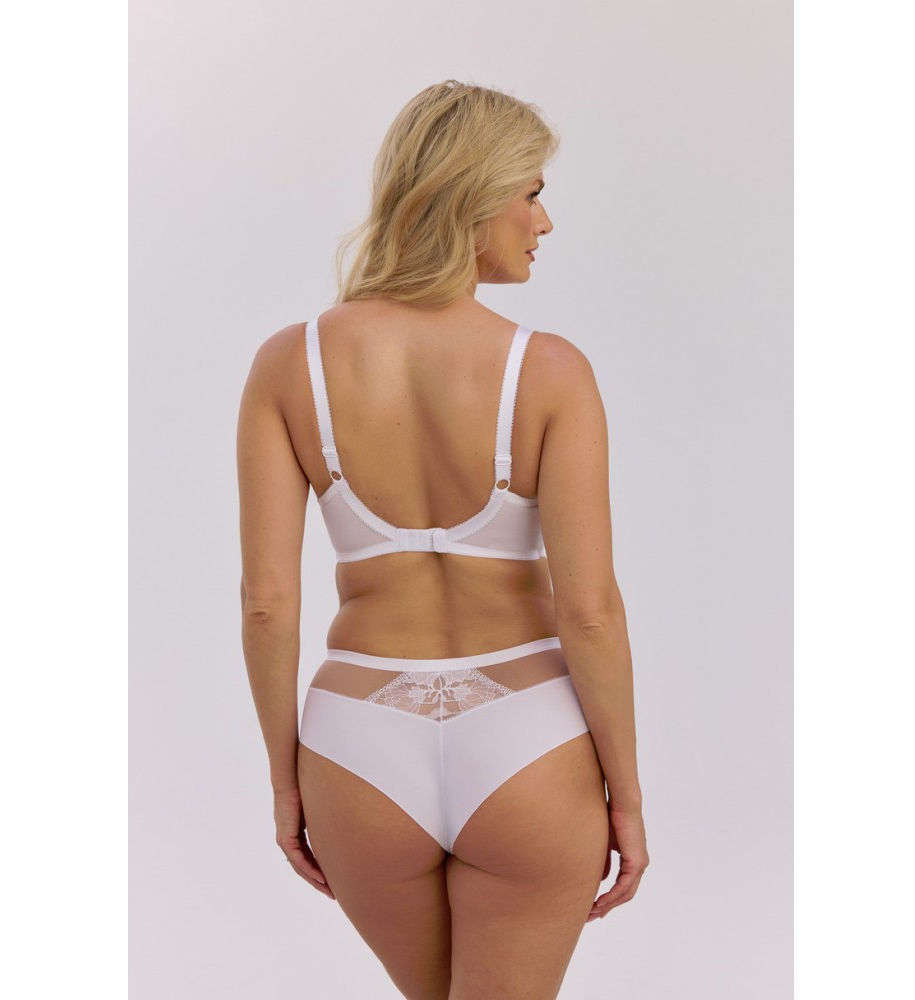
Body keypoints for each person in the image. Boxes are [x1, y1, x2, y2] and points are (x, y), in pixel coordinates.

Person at [237, 80, 648, 1000]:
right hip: (528, 739)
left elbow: (266, 603)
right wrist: (624, 792)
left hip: (357, 745)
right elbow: (590, 611)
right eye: (531, 193)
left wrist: (285, 780)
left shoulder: (289, 364)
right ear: (475, 196)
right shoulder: (549, 371)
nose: (544, 222)